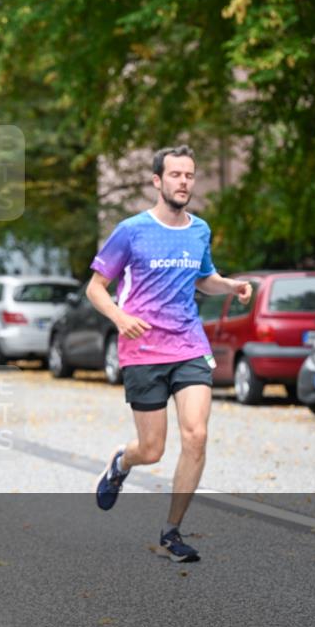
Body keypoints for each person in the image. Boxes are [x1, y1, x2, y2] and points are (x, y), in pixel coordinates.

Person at [89, 145, 252, 563]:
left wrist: (229, 285)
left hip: (188, 345)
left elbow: (204, 279)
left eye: (190, 175)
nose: (184, 182)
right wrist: (120, 318)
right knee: (153, 449)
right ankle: (122, 464)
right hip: (142, 350)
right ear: (158, 181)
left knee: (196, 435)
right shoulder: (130, 230)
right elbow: (95, 288)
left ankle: (171, 532)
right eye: (176, 174)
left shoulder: (200, 230)